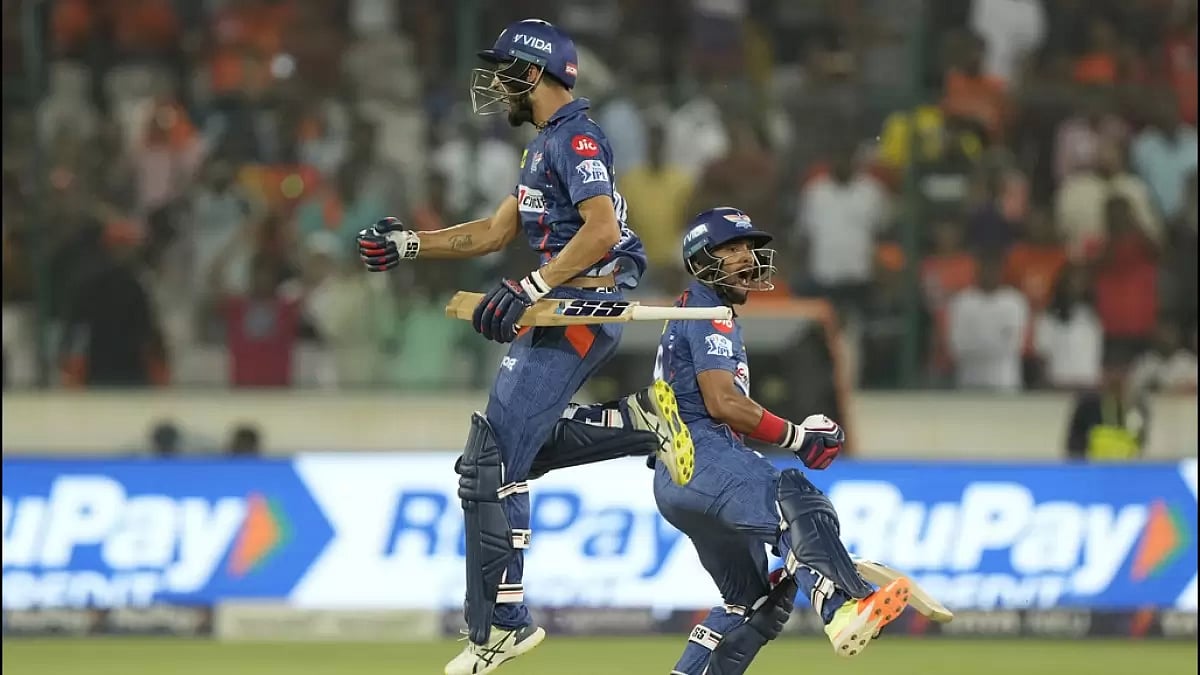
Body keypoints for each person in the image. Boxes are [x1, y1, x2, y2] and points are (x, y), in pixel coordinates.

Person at [355, 19, 691, 675]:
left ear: (536, 73)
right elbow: (492, 230)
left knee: (490, 465)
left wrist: (533, 283)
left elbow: (599, 232)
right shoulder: (545, 146)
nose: (497, 83)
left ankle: (500, 626)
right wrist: (412, 245)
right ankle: (644, 420)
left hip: (579, 307)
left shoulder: (578, 138)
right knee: (508, 457)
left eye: (507, 70)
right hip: (561, 305)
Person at [565, 208, 913, 673]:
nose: (748, 258)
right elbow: (723, 403)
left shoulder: (697, 308)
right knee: (796, 497)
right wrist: (800, 438)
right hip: (701, 455)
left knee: (752, 602)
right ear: (705, 258)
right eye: (733, 249)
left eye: (750, 248)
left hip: (678, 474)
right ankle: (843, 604)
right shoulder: (711, 311)